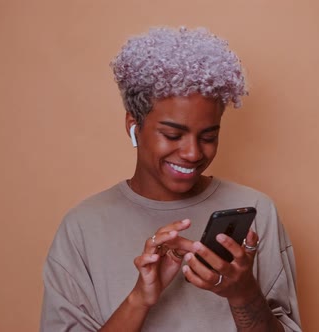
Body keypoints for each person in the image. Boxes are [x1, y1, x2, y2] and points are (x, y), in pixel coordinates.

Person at [40, 27, 302, 331]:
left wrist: (243, 294)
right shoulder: (83, 228)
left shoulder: (256, 210)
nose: (192, 153)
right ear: (133, 125)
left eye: (208, 136)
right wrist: (139, 299)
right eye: (172, 134)